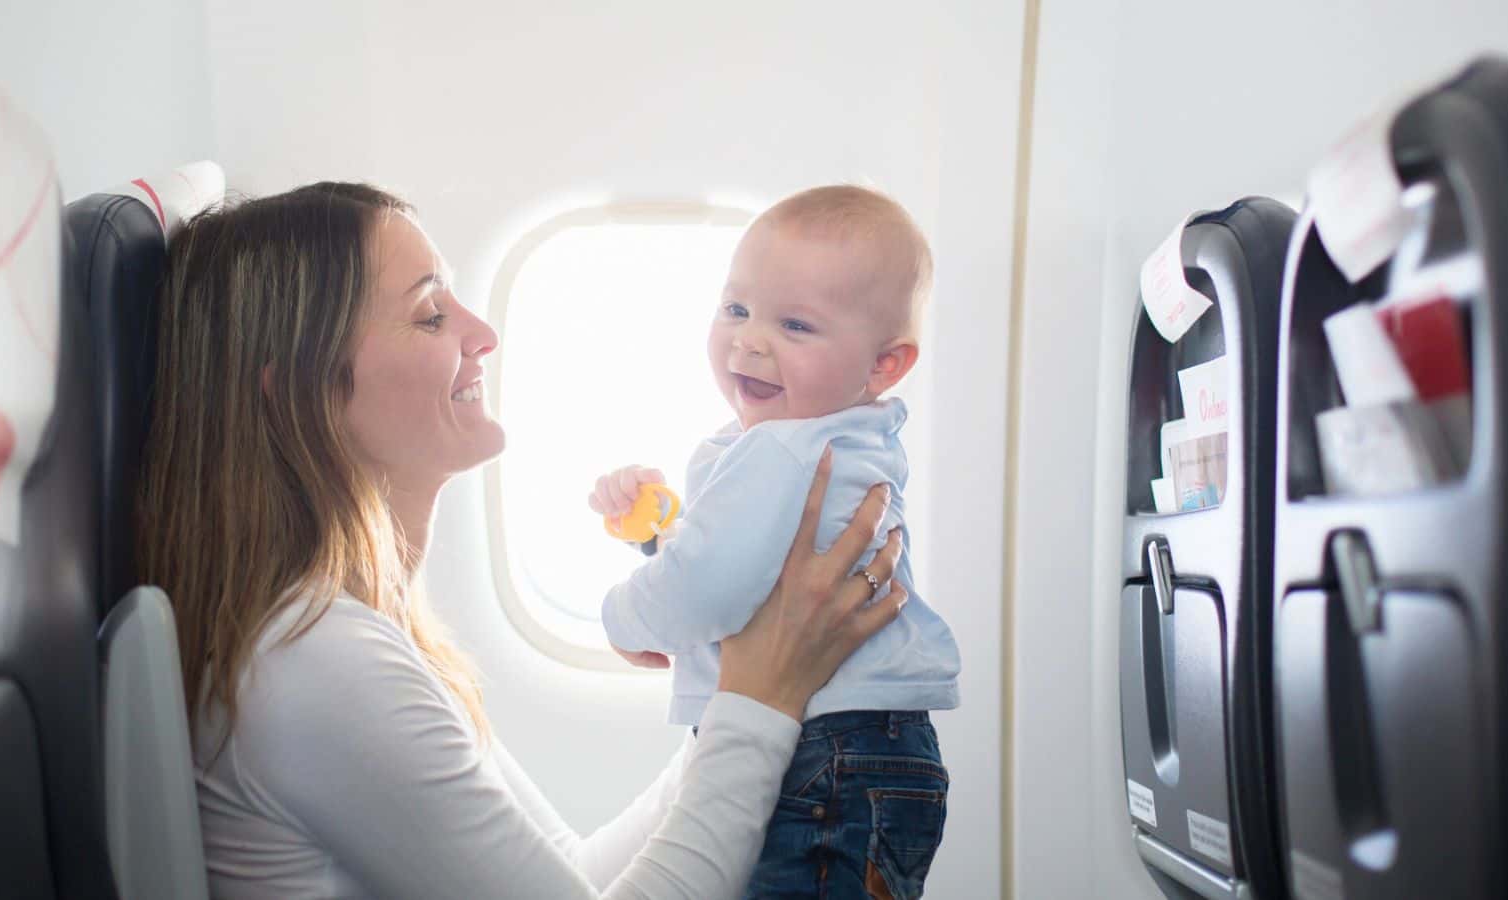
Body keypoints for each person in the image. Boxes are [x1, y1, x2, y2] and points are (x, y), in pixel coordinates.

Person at [135, 181, 907, 899]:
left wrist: (756, 683)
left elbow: (570, 873)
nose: (481, 332)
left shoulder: (363, 632)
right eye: (431, 315)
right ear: (303, 388)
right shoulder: (312, 661)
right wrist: (758, 696)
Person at [589, 185, 961, 898]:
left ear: (884, 364)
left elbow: (710, 588)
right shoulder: (838, 438)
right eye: (736, 308)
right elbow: (746, 567)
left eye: (794, 324)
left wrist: (623, 617)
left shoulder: (782, 452)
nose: (749, 339)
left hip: (822, 754)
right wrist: (658, 531)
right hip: (871, 753)